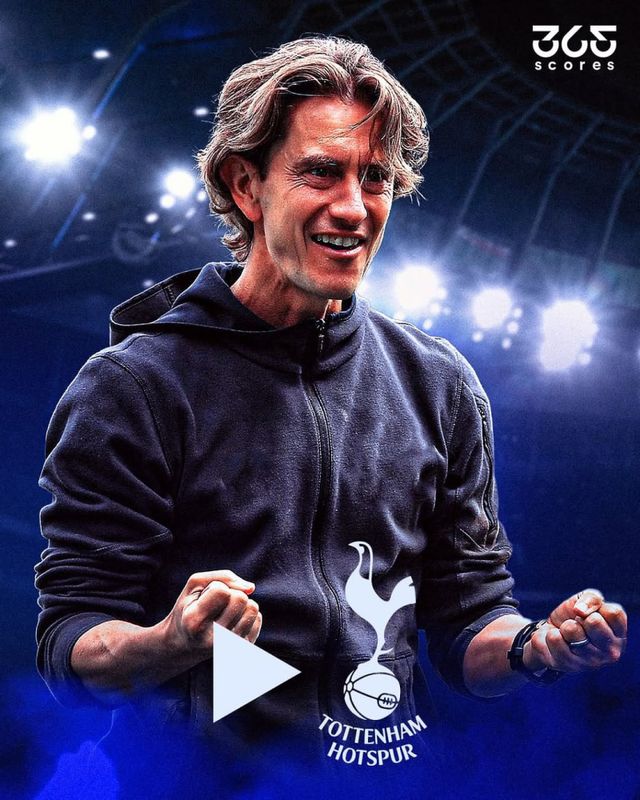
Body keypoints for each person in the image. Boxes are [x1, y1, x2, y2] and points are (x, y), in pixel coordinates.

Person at [35, 36, 627, 796]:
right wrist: (169, 641)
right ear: (245, 185)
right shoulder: (134, 388)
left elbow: (468, 623)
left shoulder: (440, 383)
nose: (353, 207)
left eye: (375, 178)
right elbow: (72, 646)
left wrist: (536, 646)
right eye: (320, 171)